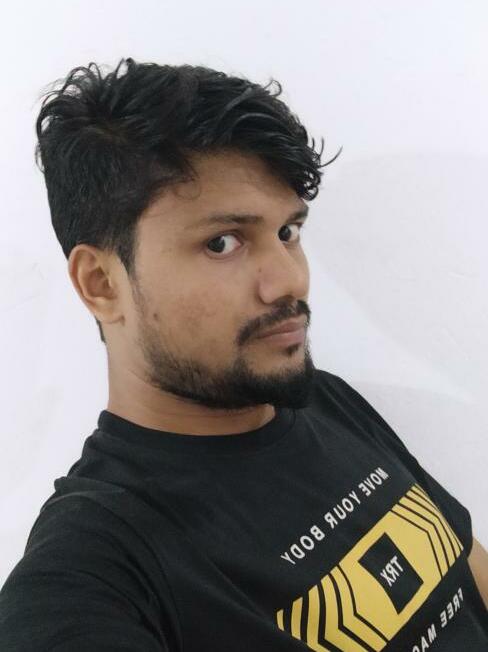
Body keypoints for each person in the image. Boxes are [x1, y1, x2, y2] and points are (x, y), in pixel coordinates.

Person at [0, 57, 486, 651]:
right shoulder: (99, 565)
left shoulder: (324, 400)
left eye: (288, 232)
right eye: (222, 242)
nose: (291, 281)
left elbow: (468, 570)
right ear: (102, 283)